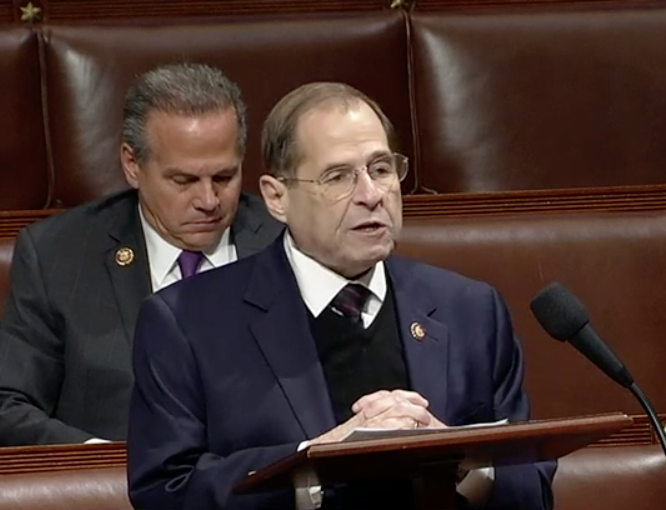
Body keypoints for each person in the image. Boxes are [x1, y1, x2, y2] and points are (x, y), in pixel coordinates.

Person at [127, 82, 555, 509]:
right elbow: (166, 493)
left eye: (382, 169)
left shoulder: (470, 310)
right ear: (277, 198)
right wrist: (314, 461)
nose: (371, 196)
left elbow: (531, 488)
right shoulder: (186, 323)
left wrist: (456, 460)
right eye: (338, 177)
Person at [0, 62, 283, 446]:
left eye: (224, 177)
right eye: (183, 180)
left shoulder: (288, 240)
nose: (208, 200)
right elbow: (9, 403)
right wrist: (102, 466)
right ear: (133, 165)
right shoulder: (58, 255)